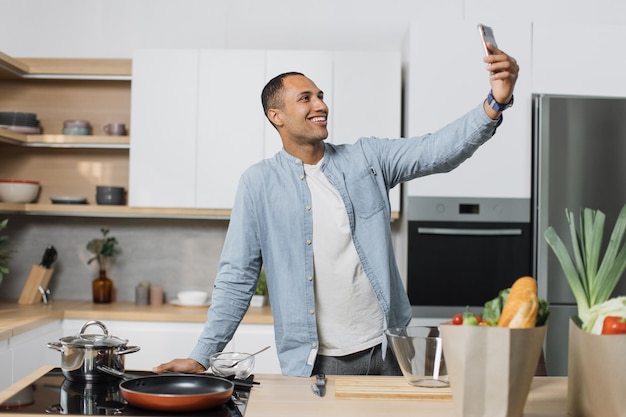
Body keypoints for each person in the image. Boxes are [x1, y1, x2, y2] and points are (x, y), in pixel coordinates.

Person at [154, 41, 519, 377]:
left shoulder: (367, 158)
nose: (321, 105)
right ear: (276, 115)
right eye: (305, 98)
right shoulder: (258, 184)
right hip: (318, 364)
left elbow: (437, 151)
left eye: (321, 96)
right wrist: (202, 355)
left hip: (390, 350)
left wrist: (494, 103)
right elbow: (237, 277)